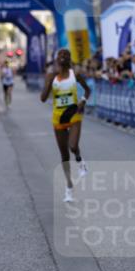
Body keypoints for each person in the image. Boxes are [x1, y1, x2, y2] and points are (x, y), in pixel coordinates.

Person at [41, 48, 92, 203]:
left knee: (73, 146)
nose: (63, 56)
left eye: (66, 55)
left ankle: (80, 161)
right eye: (60, 55)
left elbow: (88, 90)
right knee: (64, 156)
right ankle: (69, 187)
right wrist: (48, 83)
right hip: (58, 118)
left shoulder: (75, 74)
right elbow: (43, 98)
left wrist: (83, 101)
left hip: (74, 114)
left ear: (69, 59)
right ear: (57, 59)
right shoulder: (51, 76)